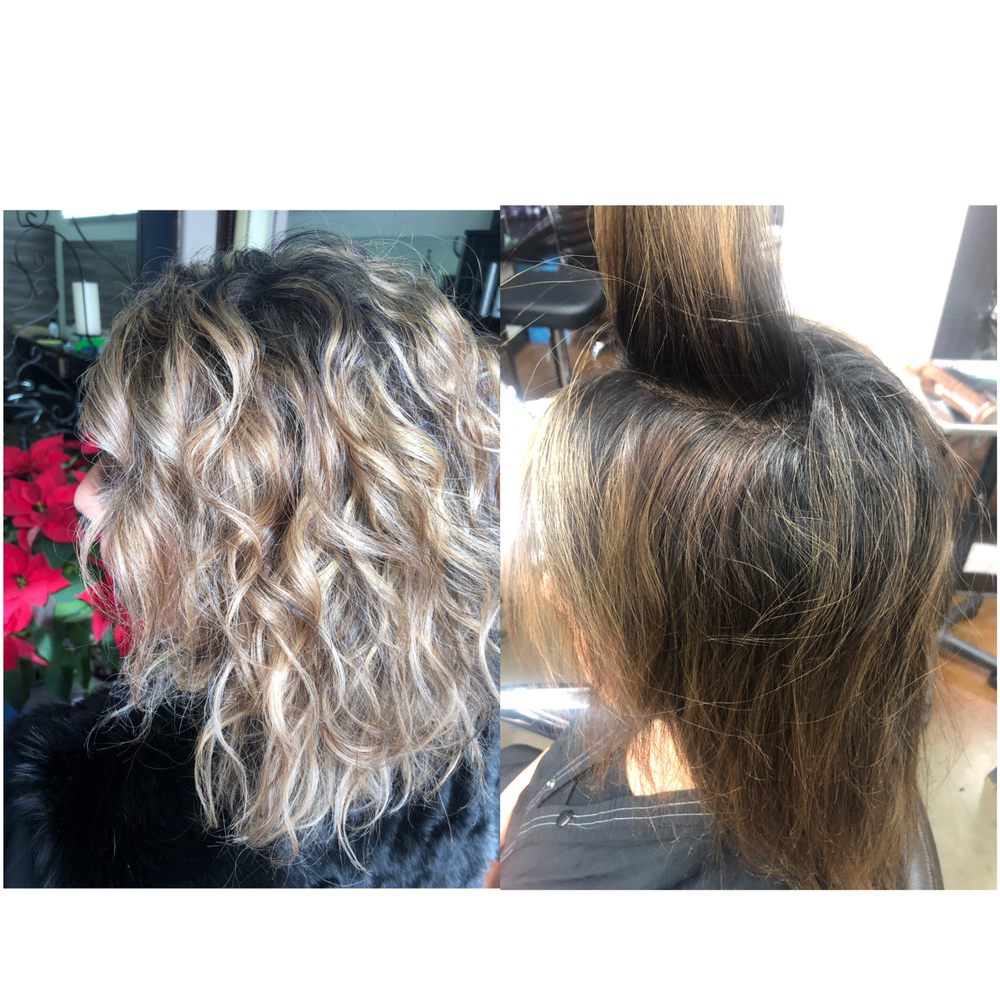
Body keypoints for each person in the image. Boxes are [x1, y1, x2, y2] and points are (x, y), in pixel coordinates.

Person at [5, 234, 499, 888]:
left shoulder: (66, 822)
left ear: (256, 537)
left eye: (125, 473)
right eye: (102, 460)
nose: (82, 495)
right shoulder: (474, 730)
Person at [502, 206, 963, 890]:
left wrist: (523, 836)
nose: (552, 589)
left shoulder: (568, 878)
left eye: (580, 566)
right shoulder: (847, 742)